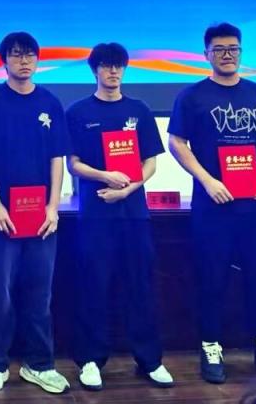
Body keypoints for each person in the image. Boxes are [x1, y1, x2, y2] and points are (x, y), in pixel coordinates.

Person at [167, 22, 256, 384]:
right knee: (211, 276)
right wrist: (207, 180)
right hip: (214, 205)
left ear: (241, 52)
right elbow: (176, 143)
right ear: (206, 54)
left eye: (233, 49)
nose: (227, 55)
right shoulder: (192, 97)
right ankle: (210, 347)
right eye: (219, 49)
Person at [65, 42, 174, 390]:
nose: (113, 72)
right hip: (95, 215)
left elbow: (151, 162)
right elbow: (73, 163)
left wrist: (127, 189)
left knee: (140, 285)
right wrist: (105, 176)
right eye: (106, 65)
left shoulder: (139, 110)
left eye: (118, 66)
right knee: (93, 286)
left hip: (134, 214)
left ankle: (150, 360)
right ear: (94, 70)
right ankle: (90, 360)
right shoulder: (78, 112)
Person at [0, 31, 70, 395]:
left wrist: (53, 206)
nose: (24, 61)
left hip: (41, 219)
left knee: (39, 294)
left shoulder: (50, 102)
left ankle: (39, 365)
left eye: (29, 55)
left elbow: (57, 157)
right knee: (0, 296)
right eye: (16, 55)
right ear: (4, 61)